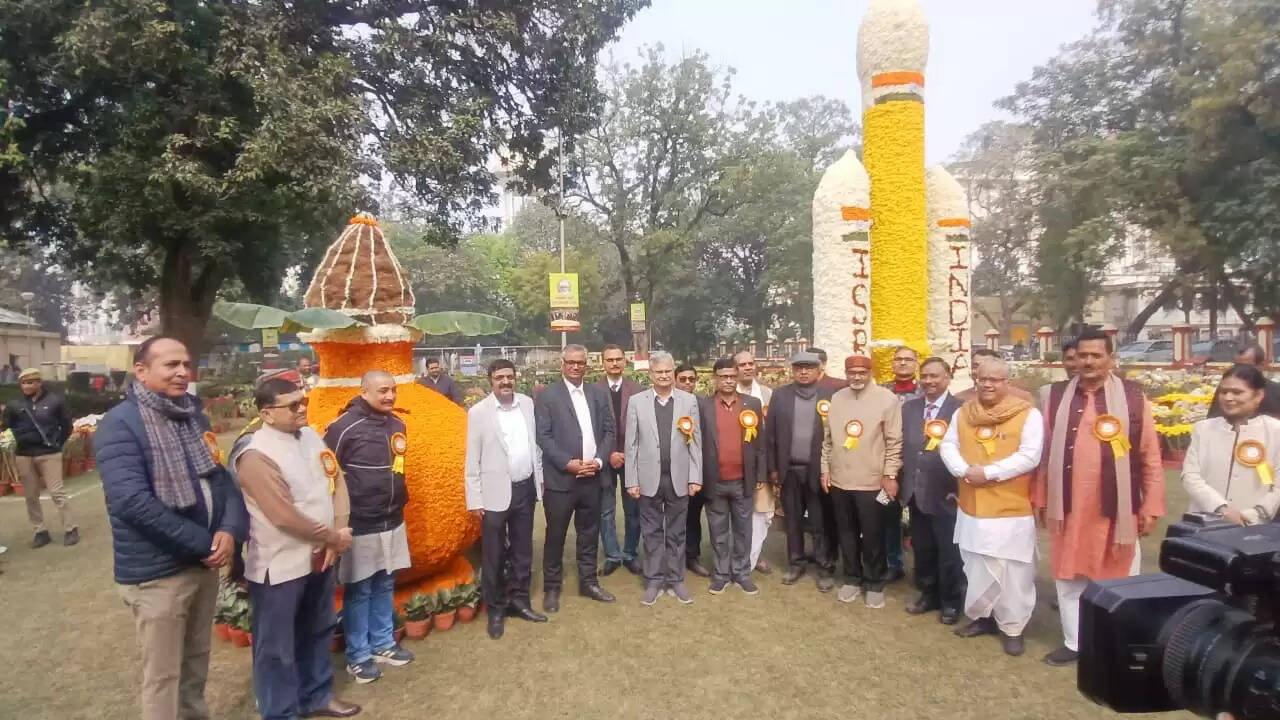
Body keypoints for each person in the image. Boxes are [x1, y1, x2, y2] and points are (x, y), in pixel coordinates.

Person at [96, 337, 247, 720]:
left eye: (186, 364)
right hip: (158, 574)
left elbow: (221, 479)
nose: (182, 372)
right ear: (141, 370)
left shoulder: (192, 416)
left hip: (202, 565)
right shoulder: (120, 425)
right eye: (170, 365)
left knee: (195, 664)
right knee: (163, 676)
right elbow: (132, 503)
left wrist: (229, 530)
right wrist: (204, 543)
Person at [1035, 328, 1165, 667]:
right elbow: (1045, 451)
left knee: (1118, 579)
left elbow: (1149, 455)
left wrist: (1150, 505)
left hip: (1116, 510)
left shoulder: (1134, 397)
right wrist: (1041, 497)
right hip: (1068, 507)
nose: (1089, 361)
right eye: (1083, 355)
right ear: (1074, 358)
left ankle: (1114, 642)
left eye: (1097, 355)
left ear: (1111, 358)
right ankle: (1075, 642)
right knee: (1068, 578)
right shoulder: (1056, 395)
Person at [236, 378, 360, 719]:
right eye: (292, 405)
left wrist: (339, 527)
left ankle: (317, 695)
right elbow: (283, 515)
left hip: (320, 558)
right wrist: (333, 538)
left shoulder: (311, 435)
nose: (302, 407)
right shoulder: (255, 454)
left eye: (302, 401)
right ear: (267, 413)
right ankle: (280, 711)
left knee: (317, 629)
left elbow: (336, 480)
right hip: (280, 565)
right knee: (276, 648)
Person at [939, 357, 1043, 657]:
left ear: (1006, 382)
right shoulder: (964, 413)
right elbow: (948, 445)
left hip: (1010, 508)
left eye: (994, 379)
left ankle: (1013, 628)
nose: (987, 384)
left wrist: (989, 472)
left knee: (1013, 571)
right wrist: (962, 470)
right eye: (982, 378)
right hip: (971, 505)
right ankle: (982, 618)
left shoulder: (1027, 414)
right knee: (976, 565)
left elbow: (1030, 456)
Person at [324, 370, 414, 684]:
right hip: (359, 523)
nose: (389, 396)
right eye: (382, 391)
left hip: (392, 519)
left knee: (385, 584)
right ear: (364, 392)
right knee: (359, 589)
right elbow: (327, 477)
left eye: (393, 390)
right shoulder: (342, 427)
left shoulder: (398, 425)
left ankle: (383, 644)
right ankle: (358, 656)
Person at [465, 359, 547, 640]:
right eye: (500, 377)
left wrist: (540, 481)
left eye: (509, 377)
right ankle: (496, 609)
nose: (505, 382)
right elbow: (471, 460)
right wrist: (474, 499)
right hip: (493, 495)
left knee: (524, 550)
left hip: (524, 489)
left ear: (516, 378)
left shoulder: (526, 404)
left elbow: (533, 444)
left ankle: (520, 600)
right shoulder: (478, 413)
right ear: (491, 380)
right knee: (494, 554)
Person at [535, 344, 617, 612]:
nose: (575, 366)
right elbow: (543, 436)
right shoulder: (548, 395)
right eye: (570, 362)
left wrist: (599, 461)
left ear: (586, 365)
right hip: (562, 481)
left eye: (580, 362)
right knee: (556, 535)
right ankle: (552, 587)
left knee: (589, 534)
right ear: (562, 364)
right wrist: (568, 464)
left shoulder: (597, 394)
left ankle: (588, 582)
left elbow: (608, 431)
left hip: (592, 478)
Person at [821, 355, 903, 609]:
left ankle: (874, 582)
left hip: (871, 481)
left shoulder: (887, 400)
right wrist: (825, 469)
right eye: (851, 373)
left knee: (873, 535)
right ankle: (852, 578)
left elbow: (894, 442)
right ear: (846, 373)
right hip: (840, 480)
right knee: (846, 532)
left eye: (861, 373)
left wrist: (890, 475)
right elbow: (828, 440)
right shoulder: (837, 398)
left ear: (870, 372)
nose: (856, 377)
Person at [625, 351, 703, 605]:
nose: (664, 376)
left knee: (677, 533)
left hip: (679, 478)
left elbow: (696, 443)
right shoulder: (637, 402)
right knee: (652, 531)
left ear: (673, 372)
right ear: (650, 374)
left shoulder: (688, 401)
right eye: (659, 372)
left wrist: (695, 476)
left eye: (668, 371)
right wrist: (631, 480)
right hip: (648, 478)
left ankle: (676, 579)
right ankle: (654, 580)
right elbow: (631, 445)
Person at [764, 351, 839, 591]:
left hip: (818, 471)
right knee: (793, 521)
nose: (804, 372)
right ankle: (795, 563)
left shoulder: (831, 396)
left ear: (819, 371)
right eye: (799, 368)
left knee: (820, 522)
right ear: (792, 370)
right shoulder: (780, 395)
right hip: (790, 471)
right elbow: (771, 435)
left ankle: (824, 566)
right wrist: (773, 468)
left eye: (809, 367)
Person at [900, 357, 965, 624]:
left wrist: (961, 488)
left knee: (949, 551)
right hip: (916, 492)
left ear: (948, 377)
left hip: (947, 493)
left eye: (935, 376)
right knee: (923, 548)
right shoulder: (910, 408)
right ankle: (928, 594)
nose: (928, 381)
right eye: (924, 376)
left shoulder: (961, 409)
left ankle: (950, 602)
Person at [698, 358, 766, 595]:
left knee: (743, 530)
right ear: (715, 378)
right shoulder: (702, 406)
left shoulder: (752, 404)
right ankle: (721, 575)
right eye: (722, 376)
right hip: (714, 481)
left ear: (737, 377)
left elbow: (760, 444)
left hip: (743, 480)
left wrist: (760, 474)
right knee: (718, 532)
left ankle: (742, 573)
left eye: (731, 376)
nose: (727, 380)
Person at [1183, 364, 1280, 525]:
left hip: (1254, 527)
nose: (1228, 398)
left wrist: (1254, 514)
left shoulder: (1275, 431)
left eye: (1237, 392)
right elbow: (1190, 476)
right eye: (1223, 391)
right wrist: (1222, 510)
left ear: (1258, 396)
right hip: (1204, 522)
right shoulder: (1203, 429)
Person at [3, 367, 77, 547]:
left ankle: (70, 528)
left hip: (49, 454)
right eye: (23, 383)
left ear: (39, 383)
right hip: (24, 455)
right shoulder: (15, 405)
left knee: (56, 492)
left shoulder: (55, 401)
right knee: (30, 495)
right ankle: (40, 531)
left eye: (30, 382)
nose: (26, 386)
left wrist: (57, 443)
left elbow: (67, 425)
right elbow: (8, 426)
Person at [595, 344, 644, 576]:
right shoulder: (593, 391)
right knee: (606, 509)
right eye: (609, 359)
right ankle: (613, 554)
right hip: (604, 459)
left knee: (633, 508)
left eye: (618, 359)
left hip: (632, 457)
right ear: (602, 363)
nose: (614, 363)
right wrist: (610, 453)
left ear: (625, 361)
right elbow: (593, 429)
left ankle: (630, 552)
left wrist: (626, 452)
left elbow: (644, 427)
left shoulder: (638, 390)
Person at [880, 346, 921, 582]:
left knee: (920, 517)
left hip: (917, 465)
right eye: (898, 359)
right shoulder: (880, 390)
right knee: (888, 514)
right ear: (892, 363)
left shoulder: (927, 390)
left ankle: (922, 567)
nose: (903, 363)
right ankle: (893, 563)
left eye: (908, 359)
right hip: (887, 465)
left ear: (916, 363)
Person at [734, 350, 775, 574]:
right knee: (738, 513)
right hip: (735, 464)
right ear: (735, 368)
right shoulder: (727, 393)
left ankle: (754, 556)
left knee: (761, 513)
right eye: (742, 365)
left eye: (751, 363)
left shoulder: (767, 394)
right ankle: (738, 555)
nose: (748, 367)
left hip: (761, 463)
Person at [673, 362, 711, 577]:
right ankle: (671, 557)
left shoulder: (703, 405)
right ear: (675, 380)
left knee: (693, 516)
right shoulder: (666, 403)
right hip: (671, 472)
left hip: (696, 471)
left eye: (691, 379)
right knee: (670, 517)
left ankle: (691, 556)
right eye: (683, 379)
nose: (688, 383)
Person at [1207, 343, 1280, 419]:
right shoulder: (1226, 389)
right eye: (1237, 366)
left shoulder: (1276, 391)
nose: (1240, 370)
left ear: (1261, 365)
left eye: (1246, 367)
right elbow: (1213, 419)